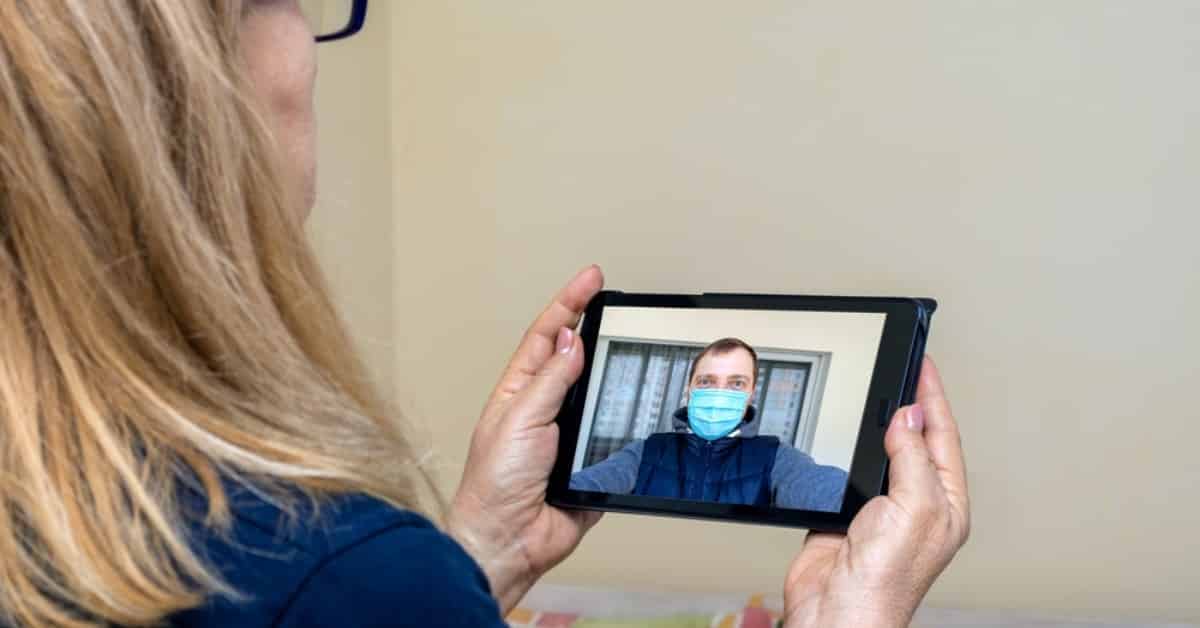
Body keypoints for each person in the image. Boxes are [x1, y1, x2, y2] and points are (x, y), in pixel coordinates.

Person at [0, 2, 970, 627]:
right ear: (191, 80)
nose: (309, 39)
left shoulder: (792, 467)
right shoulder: (342, 575)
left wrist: (482, 556)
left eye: (733, 386)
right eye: (283, 0)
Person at [571, 338, 849, 511]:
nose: (720, 394)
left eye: (736, 384)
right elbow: (589, 483)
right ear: (689, 389)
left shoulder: (777, 458)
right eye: (707, 382)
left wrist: (864, 509)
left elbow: (826, 491)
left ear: (751, 394)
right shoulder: (647, 451)